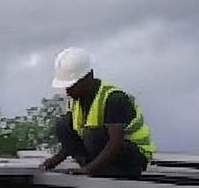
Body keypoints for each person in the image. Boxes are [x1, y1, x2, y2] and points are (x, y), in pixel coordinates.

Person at [38, 47, 153, 178]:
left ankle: (102, 169)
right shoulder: (76, 100)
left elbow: (116, 142)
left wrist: (89, 170)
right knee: (63, 125)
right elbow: (71, 140)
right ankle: (94, 166)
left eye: (72, 85)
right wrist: (52, 163)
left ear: (88, 77)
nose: (68, 91)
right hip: (101, 155)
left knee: (93, 134)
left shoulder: (113, 98)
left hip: (132, 159)